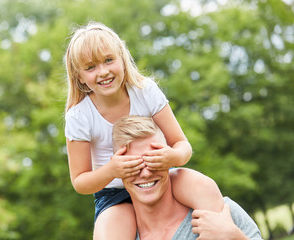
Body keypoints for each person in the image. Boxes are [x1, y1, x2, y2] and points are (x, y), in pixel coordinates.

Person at [64, 21, 223, 239]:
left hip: (159, 177)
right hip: (114, 195)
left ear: (122, 58)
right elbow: (80, 182)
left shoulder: (144, 91)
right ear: (79, 76)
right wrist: (113, 170)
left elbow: (183, 146)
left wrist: (171, 156)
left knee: (202, 186)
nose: (103, 72)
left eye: (109, 60)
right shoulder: (79, 116)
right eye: (90, 67)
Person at [112, 115, 263, 240]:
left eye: (154, 161)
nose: (145, 173)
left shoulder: (219, 216)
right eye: (133, 165)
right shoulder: (120, 234)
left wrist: (235, 237)